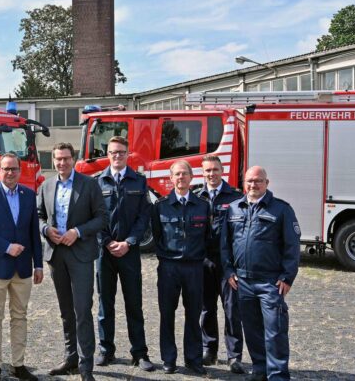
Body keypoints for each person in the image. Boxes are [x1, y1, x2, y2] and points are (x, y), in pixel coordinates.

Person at [222, 166, 301, 381]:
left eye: (258, 181)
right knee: (252, 330)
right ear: (243, 182)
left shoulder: (281, 210)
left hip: (270, 282)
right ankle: (260, 369)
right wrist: (229, 270)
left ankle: (277, 375)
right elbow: (225, 244)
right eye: (249, 181)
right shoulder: (234, 208)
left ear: (267, 183)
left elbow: (292, 247)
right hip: (243, 281)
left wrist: (287, 277)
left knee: (275, 331)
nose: (253, 185)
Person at [0, 152, 44, 381]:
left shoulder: (29, 195)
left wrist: (39, 265)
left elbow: (34, 233)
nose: (10, 173)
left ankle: (18, 364)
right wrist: (6, 246)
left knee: (20, 316)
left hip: (22, 268)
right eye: (6, 169)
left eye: (14, 169)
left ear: (20, 171)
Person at [38, 142, 107, 381]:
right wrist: (46, 229)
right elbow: (38, 216)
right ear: (54, 160)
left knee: (82, 310)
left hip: (81, 254)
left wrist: (77, 231)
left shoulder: (89, 185)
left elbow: (101, 218)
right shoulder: (46, 185)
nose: (62, 163)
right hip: (57, 255)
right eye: (58, 159)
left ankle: (86, 365)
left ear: (73, 158)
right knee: (66, 311)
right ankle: (70, 359)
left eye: (66, 158)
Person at [94, 136, 154, 371]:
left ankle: (139, 353)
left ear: (128, 154)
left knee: (134, 304)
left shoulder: (139, 181)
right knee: (104, 304)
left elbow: (144, 216)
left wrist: (128, 242)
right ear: (107, 155)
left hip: (129, 252)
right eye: (112, 152)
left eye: (121, 152)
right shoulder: (97, 182)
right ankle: (106, 350)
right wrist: (107, 242)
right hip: (104, 253)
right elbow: (94, 217)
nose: (117, 156)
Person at [151, 160, 212, 375]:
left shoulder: (203, 205)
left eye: (184, 174)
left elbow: (207, 237)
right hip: (169, 267)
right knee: (167, 314)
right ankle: (169, 359)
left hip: (194, 268)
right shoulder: (161, 205)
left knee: (194, 314)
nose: (181, 178)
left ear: (191, 177)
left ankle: (193, 359)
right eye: (176, 174)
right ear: (171, 178)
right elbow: (157, 235)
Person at [195, 154, 245, 373]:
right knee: (206, 308)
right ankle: (210, 350)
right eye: (207, 171)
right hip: (204, 261)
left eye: (215, 170)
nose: (211, 174)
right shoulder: (197, 196)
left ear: (222, 170)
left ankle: (234, 356)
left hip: (227, 262)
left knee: (232, 309)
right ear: (202, 173)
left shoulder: (235, 197)